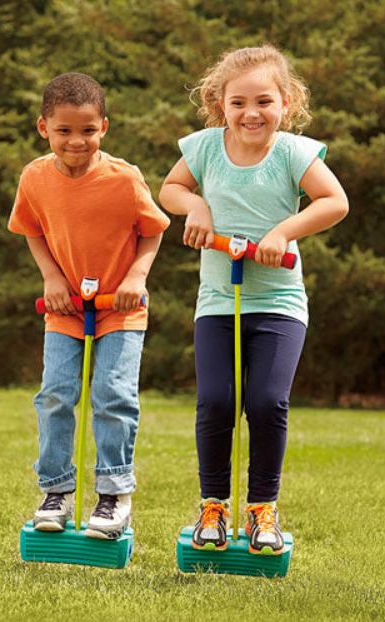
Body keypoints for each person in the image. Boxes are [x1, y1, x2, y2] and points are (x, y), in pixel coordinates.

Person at [159, 45, 348, 554]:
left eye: (264, 101)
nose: (251, 113)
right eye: (238, 102)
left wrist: (284, 231)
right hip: (219, 300)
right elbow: (169, 190)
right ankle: (213, 506)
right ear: (220, 103)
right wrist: (194, 203)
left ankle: (263, 508)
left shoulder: (292, 153)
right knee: (217, 400)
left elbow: (335, 201)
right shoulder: (203, 148)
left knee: (266, 402)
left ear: (286, 102)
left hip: (279, 302)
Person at [8, 72, 170, 538]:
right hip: (65, 309)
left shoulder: (124, 178)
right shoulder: (35, 177)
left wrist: (137, 276)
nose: (76, 141)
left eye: (87, 130)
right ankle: (55, 491)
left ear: (105, 127)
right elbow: (32, 229)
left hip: (120, 307)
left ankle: (113, 496)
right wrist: (52, 276)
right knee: (56, 395)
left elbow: (153, 230)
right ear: (44, 128)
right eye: (64, 131)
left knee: (112, 396)